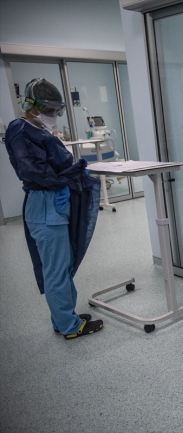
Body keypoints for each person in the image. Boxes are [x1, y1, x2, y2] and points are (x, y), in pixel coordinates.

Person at [4, 78, 103, 339]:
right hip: (46, 205)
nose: (53, 115)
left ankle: (64, 318)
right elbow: (32, 170)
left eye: (57, 110)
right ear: (31, 105)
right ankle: (69, 326)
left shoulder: (38, 129)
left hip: (54, 202)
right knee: (56, 269)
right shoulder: (19, 129)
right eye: (49, 110)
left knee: (63, 264)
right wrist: (63, 182)